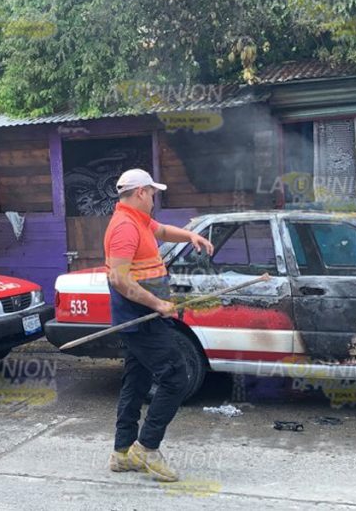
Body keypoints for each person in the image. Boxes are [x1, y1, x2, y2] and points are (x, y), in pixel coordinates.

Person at [104, 168, 213, 482]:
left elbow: (162, 230)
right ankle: (147, 447)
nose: (154, 199)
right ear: (140, 192)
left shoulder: (137, 219)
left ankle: (122, 452)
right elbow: (119, 279)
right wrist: (158, 304)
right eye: (152, 193)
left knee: (136, 382)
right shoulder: (125, 227)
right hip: (142, 319)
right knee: (177, 376)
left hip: (141, 319)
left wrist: (190, 235)